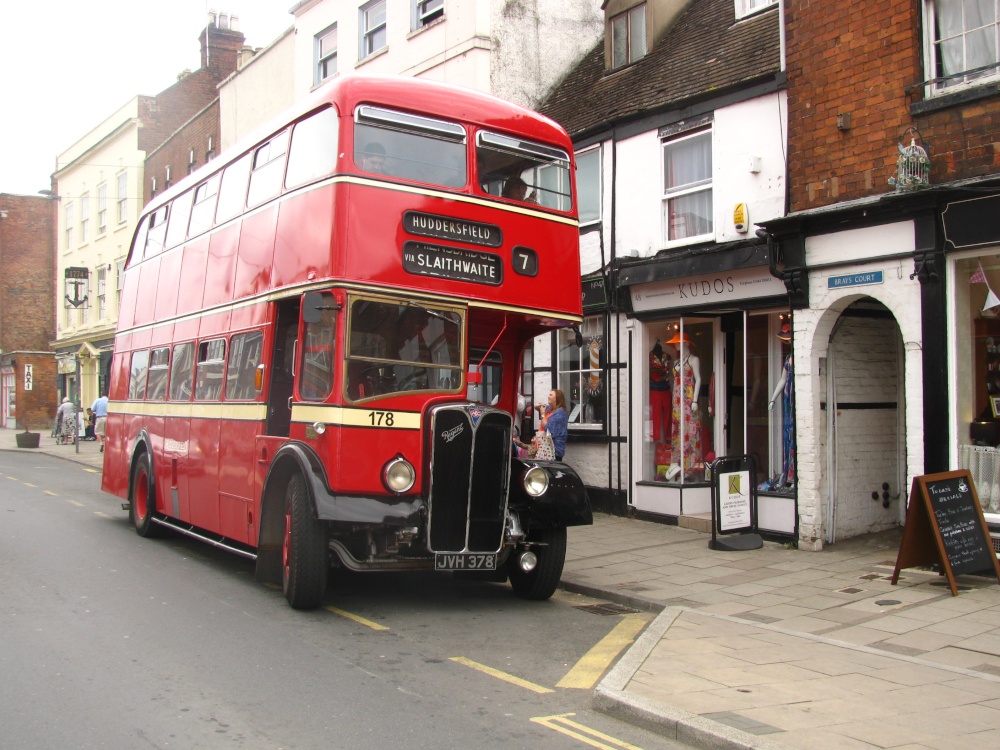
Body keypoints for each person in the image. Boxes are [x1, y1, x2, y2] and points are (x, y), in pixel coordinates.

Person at [667, 333, 702, 480]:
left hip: (688, 400)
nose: (676, 345)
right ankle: (677, 465)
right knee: (678, 431)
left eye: (678, 342)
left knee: (690, 431)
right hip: (677, 402)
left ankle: (690, 467)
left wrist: (695, 400)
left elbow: (698, 378)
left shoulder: (694, 359)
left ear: (686, 343)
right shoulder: (676, 362)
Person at [767, 327, 795, 488]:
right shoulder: (789, 357)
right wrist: (773, 399)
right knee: (788, 436)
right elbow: (783, 379)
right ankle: (789, 474)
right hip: (787, 400)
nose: (789, 341)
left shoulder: (800, 355)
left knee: (795, 437)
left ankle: (795, 475)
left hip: (796, 399)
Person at [536, 388, 569, 461]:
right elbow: (536, 406)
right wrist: (539, 405)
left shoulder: (560, 413)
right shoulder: (550, 409)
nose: (548, 396)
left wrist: (543, 414)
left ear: (557, 398)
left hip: (553, 452)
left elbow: (548, 429)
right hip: (545, 449)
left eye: (551, 395)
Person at [649, 340, 672, 443]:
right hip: (655, 389)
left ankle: (669, 437)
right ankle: (655, 436)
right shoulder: (650, 356)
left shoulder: (667, 356)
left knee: (668, 414)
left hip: (666, 389)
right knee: (655, 415)